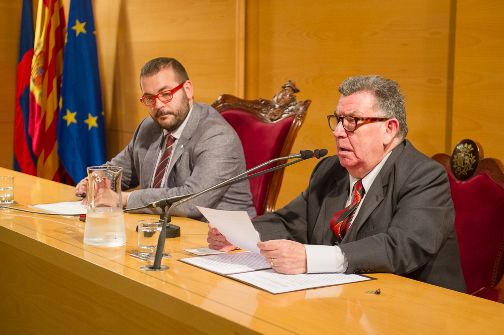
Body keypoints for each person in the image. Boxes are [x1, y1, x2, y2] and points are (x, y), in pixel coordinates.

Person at [208, 75, 465, 292]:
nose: (338, 131)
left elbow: (400, 248)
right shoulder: (330, 169)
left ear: (389, 128)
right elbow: (290, 222)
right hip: (346, 299)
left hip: (412, 310)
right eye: (338, 119)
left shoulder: (424, 176)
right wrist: (241, 234)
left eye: (353, 121)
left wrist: (309, 258)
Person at [76, 57, 256, 219]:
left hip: (219, 241)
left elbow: (191, 202)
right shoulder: (149, 127)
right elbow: (119, 171)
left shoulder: (216, 136)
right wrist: (96, 182)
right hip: (160, 231)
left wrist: (123, 199)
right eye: (149, 98)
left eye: (166, 94)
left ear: (187, 89)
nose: (159, 105)